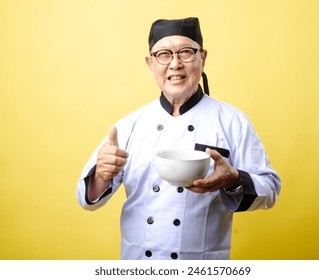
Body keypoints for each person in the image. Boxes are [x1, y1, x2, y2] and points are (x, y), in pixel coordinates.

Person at [76, 17, 281, 260]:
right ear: (151, 63)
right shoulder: (129, 125)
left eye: (185, 52)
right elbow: (86, 200)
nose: (175, 64)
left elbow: (271, 189)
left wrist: (233, 180)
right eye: (163, 54)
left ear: (202, 58)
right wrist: (101, 174)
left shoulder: (232, 121)